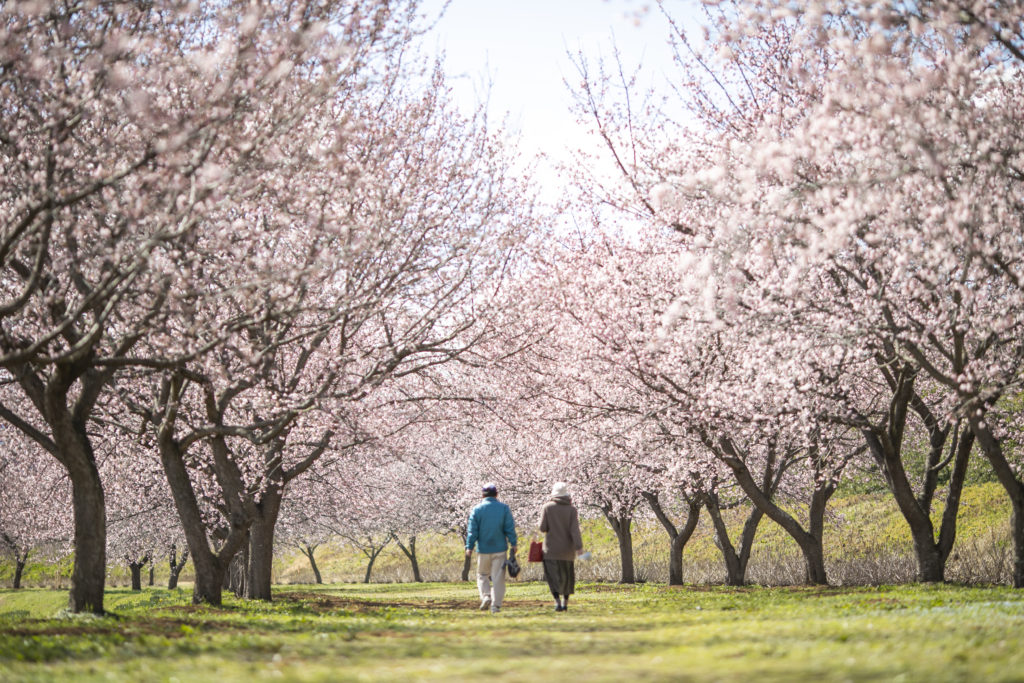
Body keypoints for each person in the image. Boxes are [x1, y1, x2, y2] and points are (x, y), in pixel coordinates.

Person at [465, 482, 517, 613]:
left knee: (482, 574)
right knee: (498, 578)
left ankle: (486, 596)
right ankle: (496, 606)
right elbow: (509, 528)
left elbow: (472, 531)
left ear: (482, 495)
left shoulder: (477, 509)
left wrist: (469, 546)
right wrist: (513, 543)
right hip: (500, 548)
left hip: (483, 549)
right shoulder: (504, 508)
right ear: (496, 494)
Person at [538, 481, 583, 612]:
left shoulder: (547, 507)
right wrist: (578, 547)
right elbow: (575, 530)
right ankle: (565, 603)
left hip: (550, 550)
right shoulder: (572, 510)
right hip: (567, 551)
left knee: (552, 577)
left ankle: (557, 602)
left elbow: (543, 528)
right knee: (567, 577)